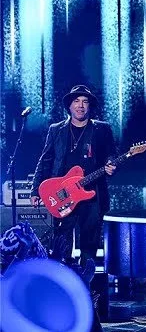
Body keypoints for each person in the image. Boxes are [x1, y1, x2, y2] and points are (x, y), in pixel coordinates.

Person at [30, 85, 118, 275]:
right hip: (62, 194)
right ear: (69, 106)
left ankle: (87, 282)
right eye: (76, 101)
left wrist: (111, 164)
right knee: (62, 242)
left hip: (92, 194)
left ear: (90, 106)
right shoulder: (56, 130)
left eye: (85, 102)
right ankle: (63, 280)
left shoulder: (101, 129)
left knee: (90, 242)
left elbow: (111, 153)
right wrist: (36, 190)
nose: (80, 106)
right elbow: (45, 161)